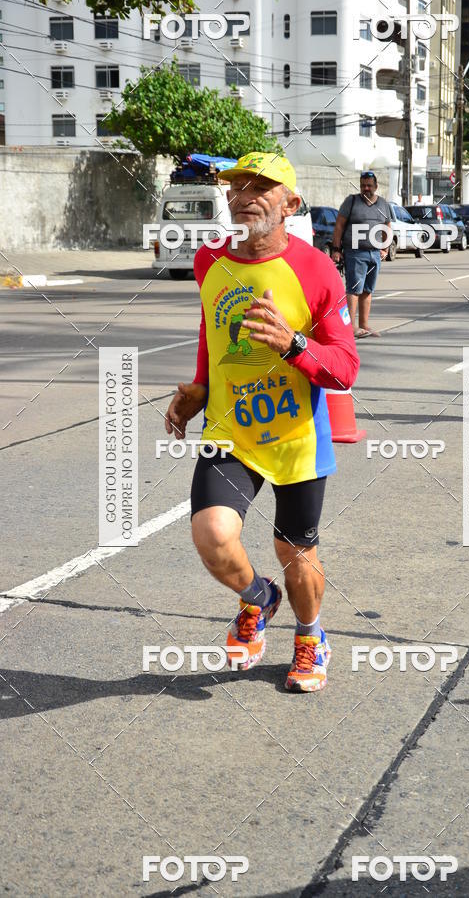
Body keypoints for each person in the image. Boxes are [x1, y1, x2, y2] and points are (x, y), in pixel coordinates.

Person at [164, 152, 360, 692]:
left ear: (291, 204)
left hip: (296, 434)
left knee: (294, 550)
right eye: (236, 186)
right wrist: (200, 388)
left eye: (261, 186)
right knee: (213, 535)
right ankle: (259, 598)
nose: (243, 194)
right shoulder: (210, 261)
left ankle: (310, 636)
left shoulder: (317, 270)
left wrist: (295, 344)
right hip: (230, 428)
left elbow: (344, 370)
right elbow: (213, 328)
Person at [331, 171, 392, 339]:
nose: (366, 188)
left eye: (369, 185)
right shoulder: (351, 202)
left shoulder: (383, 204)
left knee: (367, 290)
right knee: (354, 289)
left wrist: (385, 249)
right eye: (363, 185)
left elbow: (387, 227)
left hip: (375, 254)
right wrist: (336, 250)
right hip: (355, 253)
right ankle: (350, 327)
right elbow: (339, 226)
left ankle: (364, 325)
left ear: (376, 186)